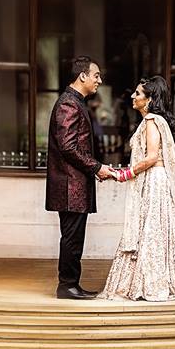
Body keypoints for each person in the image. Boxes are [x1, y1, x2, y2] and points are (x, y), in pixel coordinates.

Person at [98, 75, 175, 302]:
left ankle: (152, 282)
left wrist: (125, 174)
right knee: (151, 230)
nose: (133, 97)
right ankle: (153, 278)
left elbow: (153, 157)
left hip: (155, 181)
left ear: (149, 99)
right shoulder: (152, 121)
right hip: (152, 180)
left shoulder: (151, 122)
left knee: (150, 230)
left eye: (138, 93)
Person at [46, 56, 114, 299]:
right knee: (72, 239)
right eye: (96, 76)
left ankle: (71, 284)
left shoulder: (75, 102)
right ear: (82, 76)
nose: (99, 80)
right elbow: (67, 147)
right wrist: (97, 167)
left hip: (73, 184)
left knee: (74, 238)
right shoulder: (68, 104)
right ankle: (67, 286)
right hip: (69, 185)